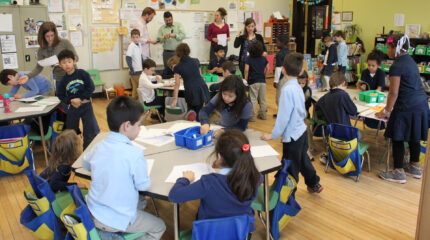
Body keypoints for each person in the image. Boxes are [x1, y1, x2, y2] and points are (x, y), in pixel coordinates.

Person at [83, 96, 165, 239]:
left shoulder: (99, 146)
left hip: (94, 209)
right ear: (127, 126)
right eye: (139, 125)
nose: (140, 129)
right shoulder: (134, 153)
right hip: (113, 218)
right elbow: (143, 185)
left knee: (141, 202)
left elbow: (86, 164)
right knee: (159, 226)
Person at [168, 129, 261, 234]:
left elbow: (174, 195)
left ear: (219, 157)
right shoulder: (256, 176)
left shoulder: (209, 182)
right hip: (240, 231)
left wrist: (185, 179)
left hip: (210, 234)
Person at [261, 53, 322, 194]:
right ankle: (313, 182)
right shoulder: (298, 87)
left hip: (293, 136)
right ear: (301, 72)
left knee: (290, 167)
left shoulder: (287, 90)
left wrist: (273, 135)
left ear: (283, 70)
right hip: (301, 132)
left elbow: (283, 118)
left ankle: (287, 196)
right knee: (303, 159)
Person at [376, 35, 429, 184]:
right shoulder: (411, 61)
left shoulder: (397, 66)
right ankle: (415, 167)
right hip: (421, 105)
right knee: (414, 135)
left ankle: (398, 172)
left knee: (397, 136)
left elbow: (393, 92)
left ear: (396, 48)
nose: (387, 50)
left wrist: (386, 111)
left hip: (407, 105)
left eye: (389, 47)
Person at [56, 49, 100, 149]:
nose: (67, 64)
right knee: (71, 132)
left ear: (74, 61)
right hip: (72, 108)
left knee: (89, 132)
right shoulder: (63, 80)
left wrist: (80, 99)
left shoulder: (82, 74)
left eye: (69, 61)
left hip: (86, 106)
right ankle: (73, 154)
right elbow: (60, 94)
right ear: (60, 65)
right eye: (63, 62)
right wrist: (70, 101)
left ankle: (86, 153)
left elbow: (91, 87)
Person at [18, 22, 78, 92]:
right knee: (62, 100)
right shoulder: (41, 50)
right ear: (42, 36)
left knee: (75, 99)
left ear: (55, 34)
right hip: (59, 79)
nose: (50, 39)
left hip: (72, 76)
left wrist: (65, 62)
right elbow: (38, 67)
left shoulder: (64, 43)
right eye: (47, 36)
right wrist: (28, 76)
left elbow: (76, 57)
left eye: (52, 35)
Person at [316, 72, 358, 165]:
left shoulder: (325, 97)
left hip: (332, 133)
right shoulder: (343, 95)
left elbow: (318, 105)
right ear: (343, 83)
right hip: (345, 133)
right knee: (362, 134)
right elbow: (353, 111)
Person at [170, 43, 210, 121]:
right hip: (201, 86)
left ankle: (192, 123)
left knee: (191, 110)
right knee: (199, 108)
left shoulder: (178, 67)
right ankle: (199, 124)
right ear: (188, 51)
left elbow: (177, 85)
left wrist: (175, 99)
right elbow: (200, 75)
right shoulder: (196, 61)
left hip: (190, 89)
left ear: (178, 54)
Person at [244, 41, 269, 121]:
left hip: (253, 81)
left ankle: (252, 117)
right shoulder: (264, 58)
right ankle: (263, 115)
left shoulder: (249, 58)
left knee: (253, 99)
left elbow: (246, 70)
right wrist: (265, 76)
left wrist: (246, 79)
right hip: (262, 81)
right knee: (262, 99)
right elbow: (268, 68)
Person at [298, 71, 316, 154]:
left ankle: (310, 149)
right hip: (295, 115)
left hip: (304, 115)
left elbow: (305, 105)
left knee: (307, 129)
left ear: (306, 82)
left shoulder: (307, 90)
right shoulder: (293, 88)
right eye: (299, 83)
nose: (301, 85)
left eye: (303, 83)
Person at [273, 35, 291, 116]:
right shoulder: (290, 53)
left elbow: (278, 69)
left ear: (282, 43)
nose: (276, 43)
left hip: (282, 77)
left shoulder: (279, 54)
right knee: (286, 96)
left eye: (277, 42)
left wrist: (276, 81)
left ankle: (281, 114)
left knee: (279, 97)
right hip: (289, 77)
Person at [126, 29, 143, 100]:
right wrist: (131, 68)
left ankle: (134, 103)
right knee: (138, 88)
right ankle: (136, 103)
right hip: (135, 70)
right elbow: (128, 57)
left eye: (137, 37)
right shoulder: (131, 46)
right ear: (131, 38)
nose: (135, 39)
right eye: (133, 37)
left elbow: (140, 56)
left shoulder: (139, 44)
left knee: (136, 87)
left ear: (139, 37)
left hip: (140, 69)